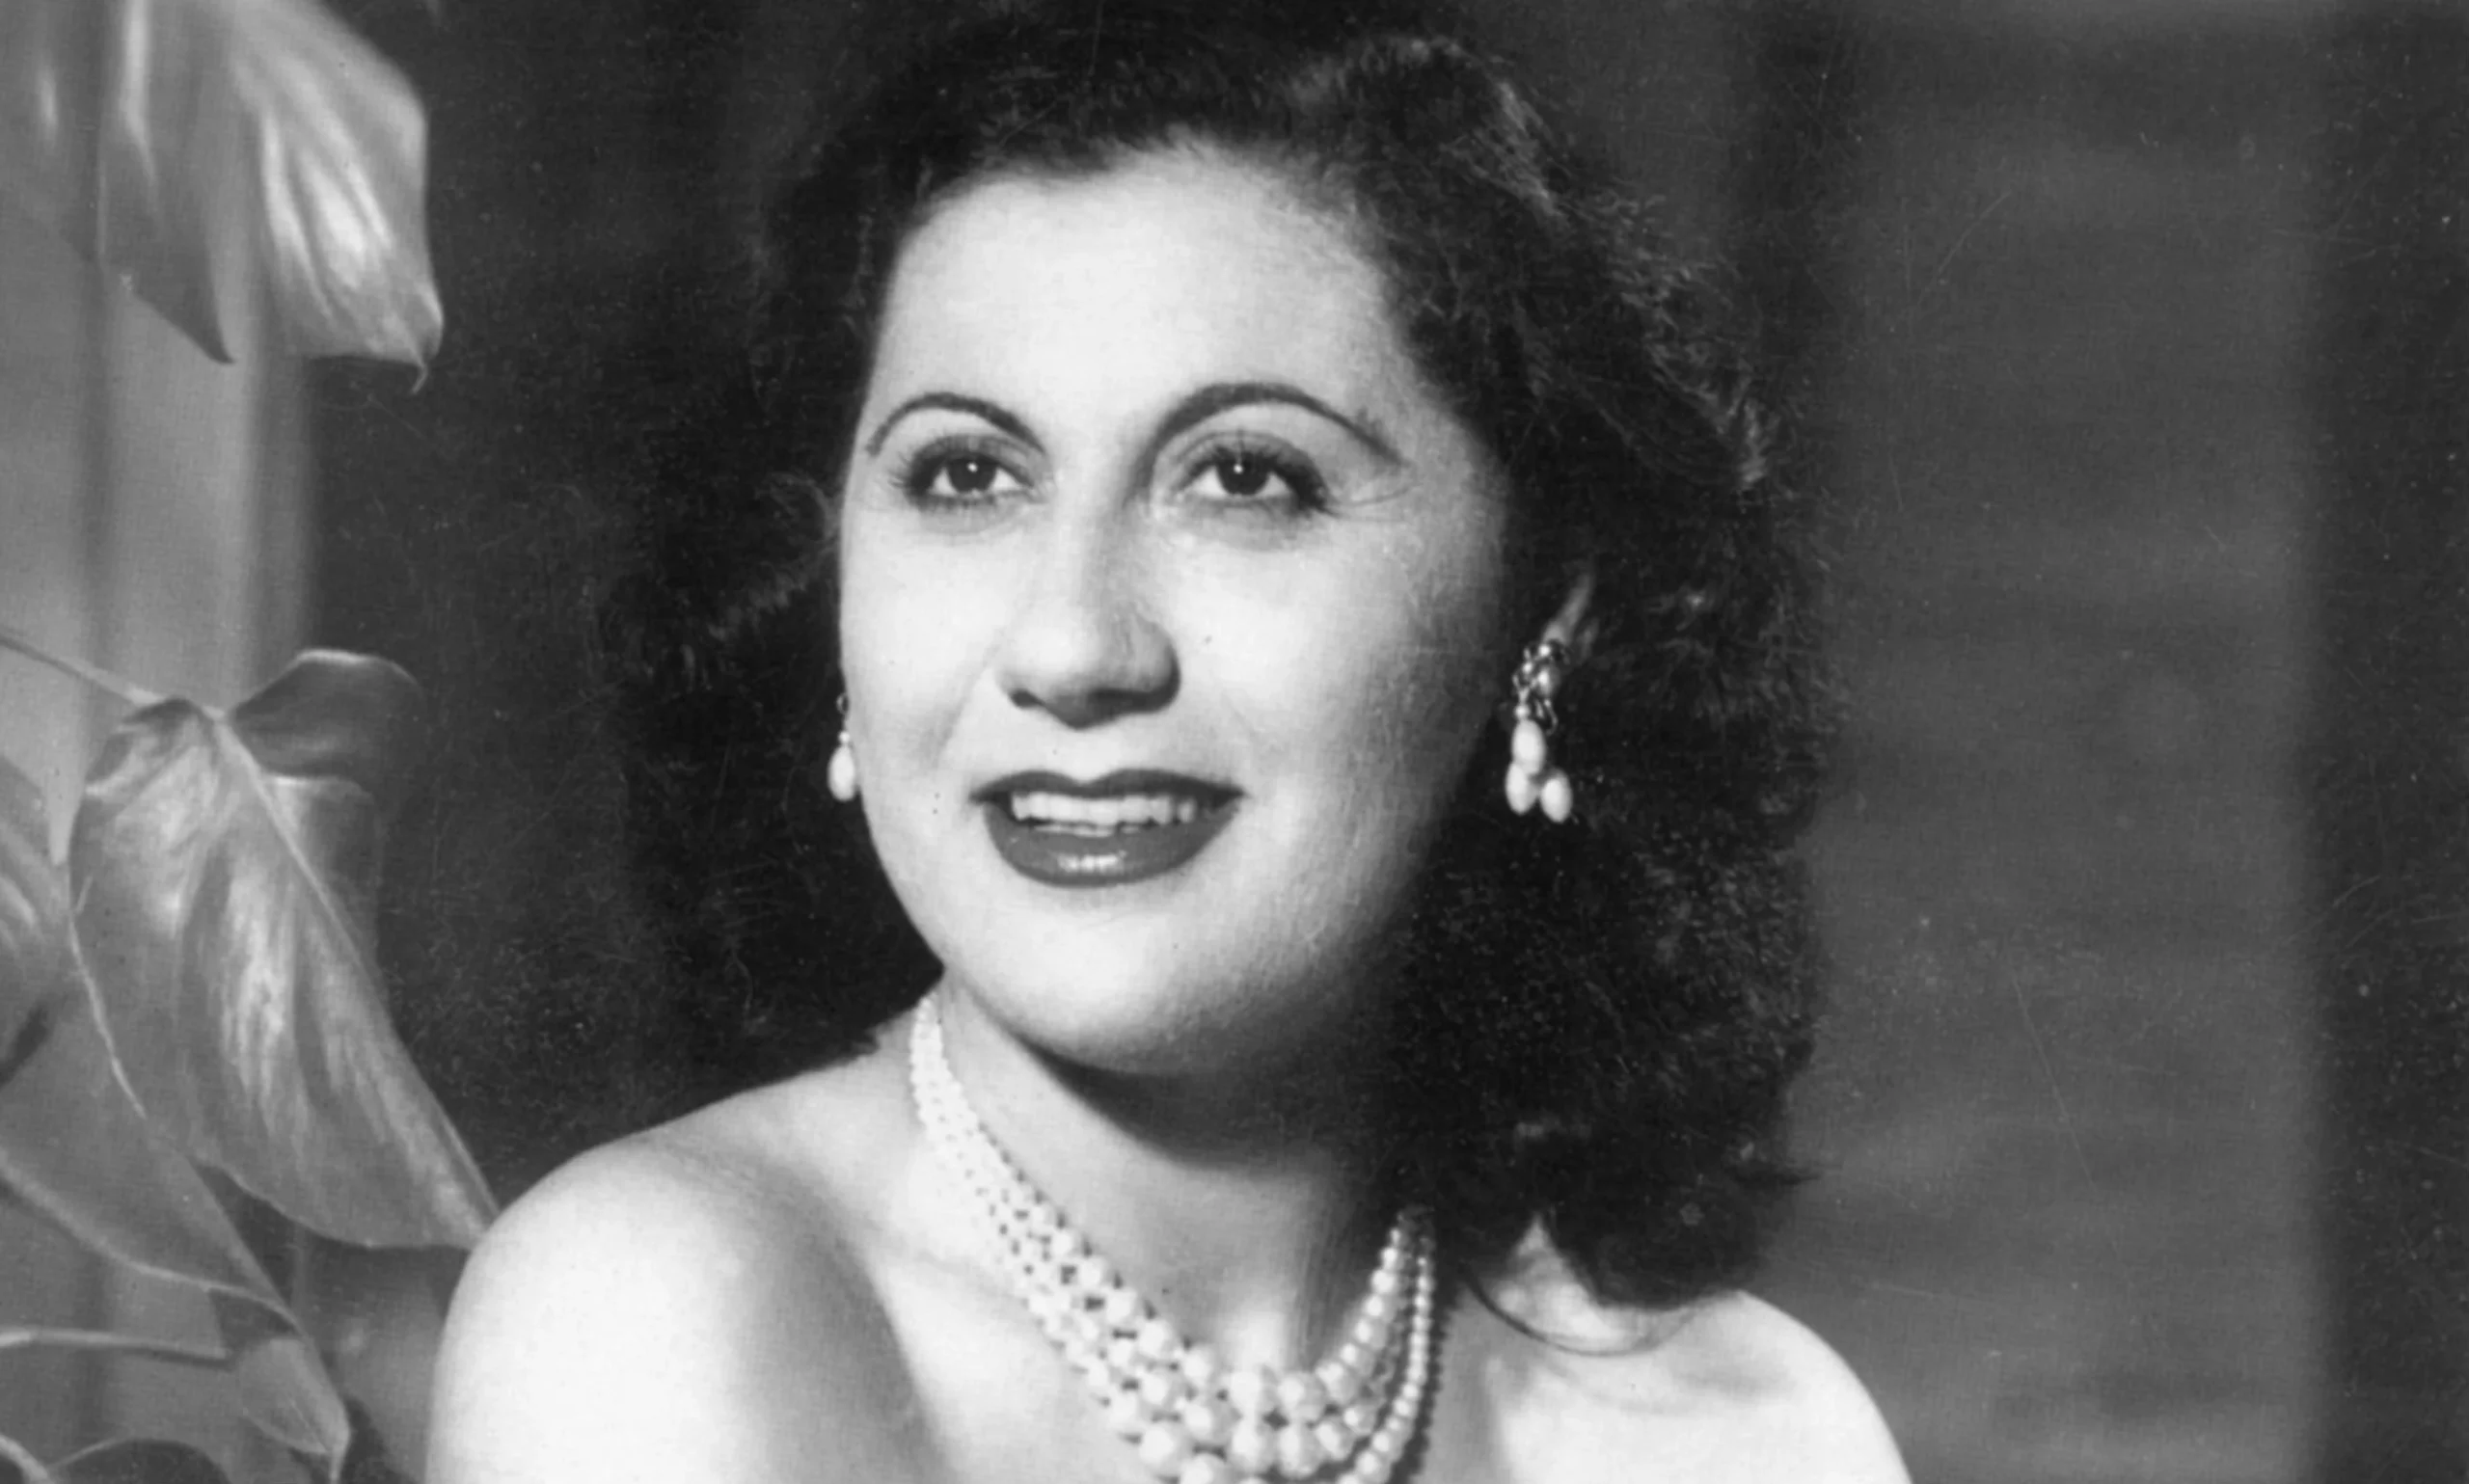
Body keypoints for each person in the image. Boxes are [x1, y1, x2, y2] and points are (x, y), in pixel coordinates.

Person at [427, 1, 1907, 1479]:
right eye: (964, 476)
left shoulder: (1747, 1435)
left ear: (1548, 604)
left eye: (1246, 478)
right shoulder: (654, 1312)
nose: (1072, 646)